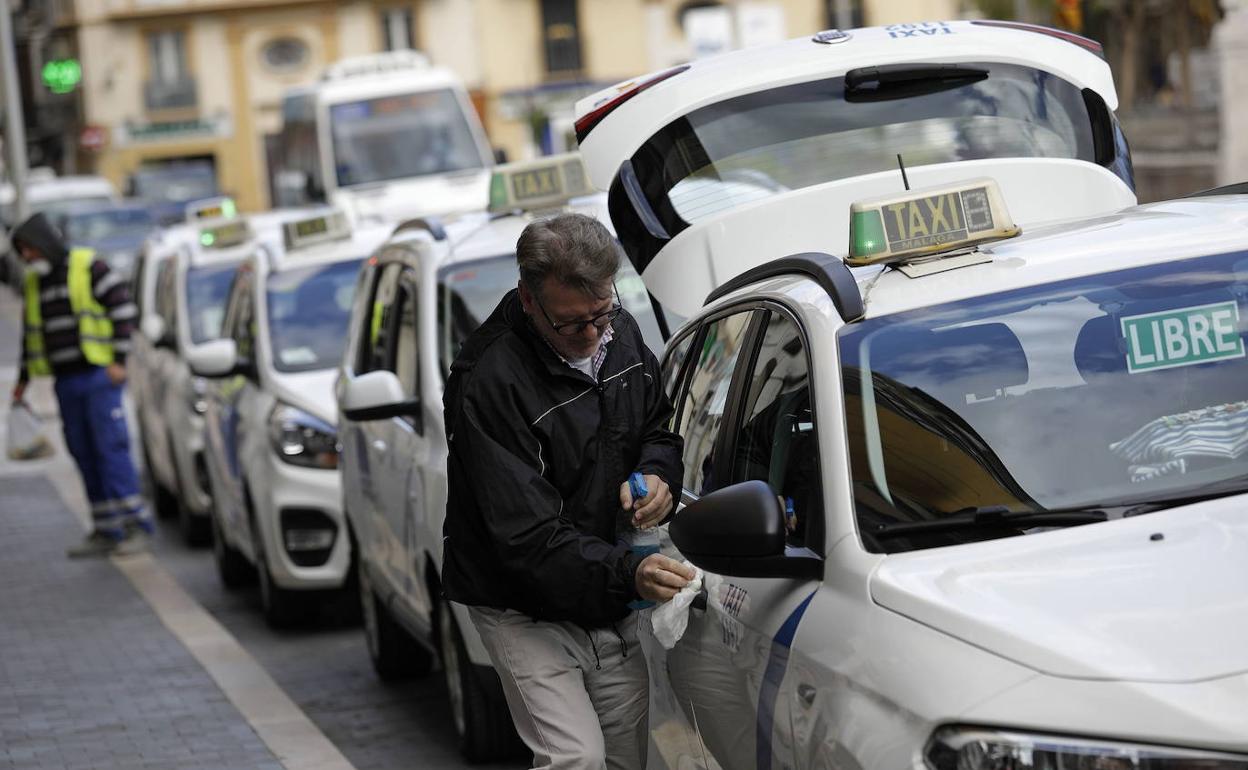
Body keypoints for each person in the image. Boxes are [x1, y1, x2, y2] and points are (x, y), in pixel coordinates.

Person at [442, 213, 695, 770]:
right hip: (521, 605)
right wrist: (627, 573)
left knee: (624, 759)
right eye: (571, 324)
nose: (592, 334)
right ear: (529, 301)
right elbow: (524, 535)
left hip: (606, 590)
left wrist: (659, 476)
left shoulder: (619, 332)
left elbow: (658, 429)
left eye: (602, 314)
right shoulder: (488, 380)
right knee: (576, 759)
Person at [9, 211, 152, 558]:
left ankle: (134, 525)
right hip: (66, 382)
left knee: (110, 450)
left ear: (45, 244)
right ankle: (106, 528)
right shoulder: (34, 283)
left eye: (29, 249)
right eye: (23, 252)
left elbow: (122, 310)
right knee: (83, 454)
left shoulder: (89, 268)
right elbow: (32, 336)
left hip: (98, 377)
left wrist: (118, 362)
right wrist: (22, 381)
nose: (27, 258)